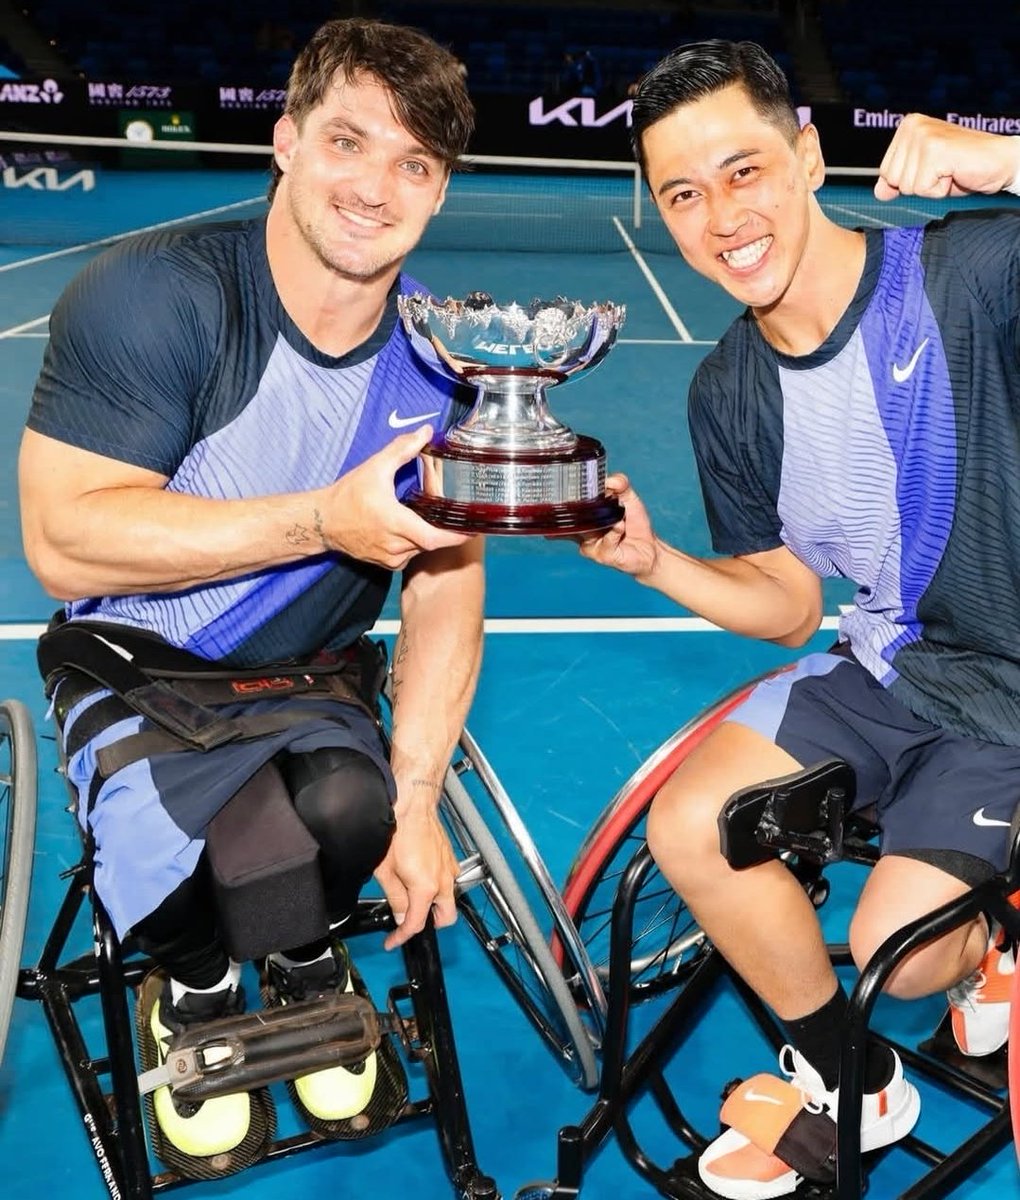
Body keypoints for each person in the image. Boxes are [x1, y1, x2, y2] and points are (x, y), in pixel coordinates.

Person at [18, 16, 482, 1178]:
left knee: (346, 812)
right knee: (187, 859)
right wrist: (323, 519)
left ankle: (304, 955)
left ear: (438, 195)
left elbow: (444, 589)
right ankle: (198, 986)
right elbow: (65, 544)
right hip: (136, 660)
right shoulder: (154, 296)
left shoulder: (444, 360)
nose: (375, 187)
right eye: (348, 141)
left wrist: (419, 798)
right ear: (283, 142)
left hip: (306, 673)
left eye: (413, 165)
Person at [579, 37, 1020, 1200]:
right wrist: (655, 559)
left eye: (744, 170)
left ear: (810, 156)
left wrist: (1010, 155)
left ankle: (999, 942)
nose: (721, 216)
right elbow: (784, 605)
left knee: (902, 952)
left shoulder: (967, 275)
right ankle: (854, 1078)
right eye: (682, 192)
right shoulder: (724, 387)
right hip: (894, 665)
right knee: (693, 826)